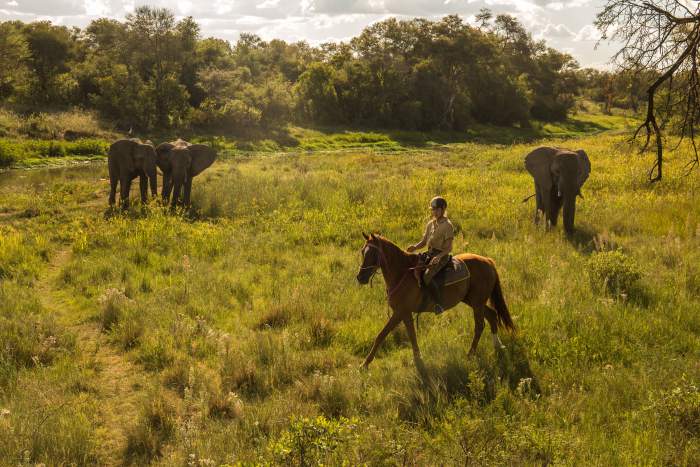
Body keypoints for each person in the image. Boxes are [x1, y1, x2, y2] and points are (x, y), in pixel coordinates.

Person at [407, 196, 454, 314]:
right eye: (433, 210)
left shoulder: (448, 225)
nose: (434, 212)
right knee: (414, 268)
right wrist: (415, 247)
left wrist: (438, 257)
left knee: (427, 276)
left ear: (443, 209)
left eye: (437, 210)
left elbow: (449, 248)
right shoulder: (430, 224)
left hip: (441, 256)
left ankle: (438, 304)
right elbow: (423, 242)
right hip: (430, 253)